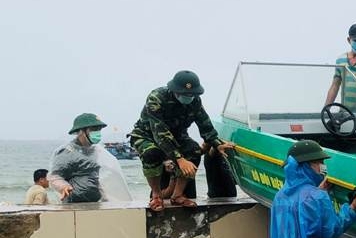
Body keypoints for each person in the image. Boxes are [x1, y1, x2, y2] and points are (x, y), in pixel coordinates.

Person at [129, 70, 234, 211]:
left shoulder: (195, 101)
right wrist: (179, 159)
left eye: (191, 94)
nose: (189, 97)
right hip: (147, 135)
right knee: (151, 153)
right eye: (185, 94)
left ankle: (177, 195)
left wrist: (216, 143)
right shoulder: (157, 98)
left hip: (178, 135)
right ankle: (156, 195)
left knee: (194, 151)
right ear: (175, 91)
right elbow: (160, 132)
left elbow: (204, 123)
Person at [48, 113, 131, 203]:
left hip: (96, 202)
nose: (97, 132)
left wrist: (106, 197)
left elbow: (96, 177)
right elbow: (54, 176)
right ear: (81, 131)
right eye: (94, 129)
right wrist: (63, 186)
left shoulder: (96, 150)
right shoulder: (67, 151)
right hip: (74, 204)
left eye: (99, 129)